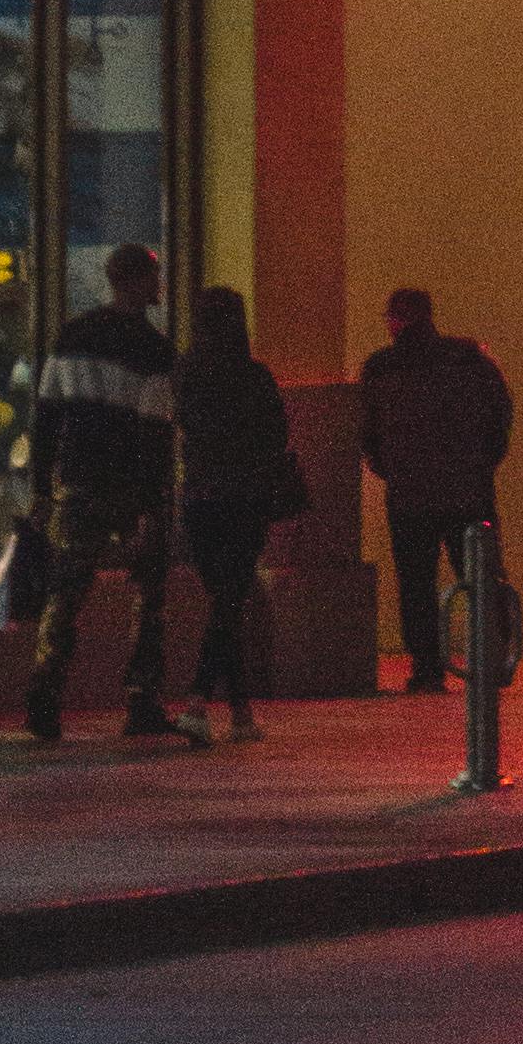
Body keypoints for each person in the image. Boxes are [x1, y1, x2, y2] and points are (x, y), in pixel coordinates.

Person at [24, 240, 193, 745]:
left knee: (66, 593)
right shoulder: (154, 350)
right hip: (129, 488)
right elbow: (155, 433)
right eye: (154, 279)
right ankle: (142, 699)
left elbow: (47, 415)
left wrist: (42, 487)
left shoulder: (73, 335)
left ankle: (45, 697)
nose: (159, 288)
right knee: (148, 596)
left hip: (78, 482)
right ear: (138, 283)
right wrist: (154, 499)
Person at [355, 283, 513, 693]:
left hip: (410, 495)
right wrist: (483, 463)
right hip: (469, 490)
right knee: (482, 576)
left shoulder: (381, 368)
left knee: (416, 584)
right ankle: (496, 659)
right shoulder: (470, 360)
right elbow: (500, 415)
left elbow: (367, 430)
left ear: (394, 321)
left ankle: (427, 669)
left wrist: (390, 467)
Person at [175, 284, 294, 740]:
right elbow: (276, 436)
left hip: (200, 498)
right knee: (230, 602)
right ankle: (199, 701)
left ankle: (240, 711)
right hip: (245, 499)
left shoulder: (186, 373)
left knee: (224, 603)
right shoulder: (254, 377)